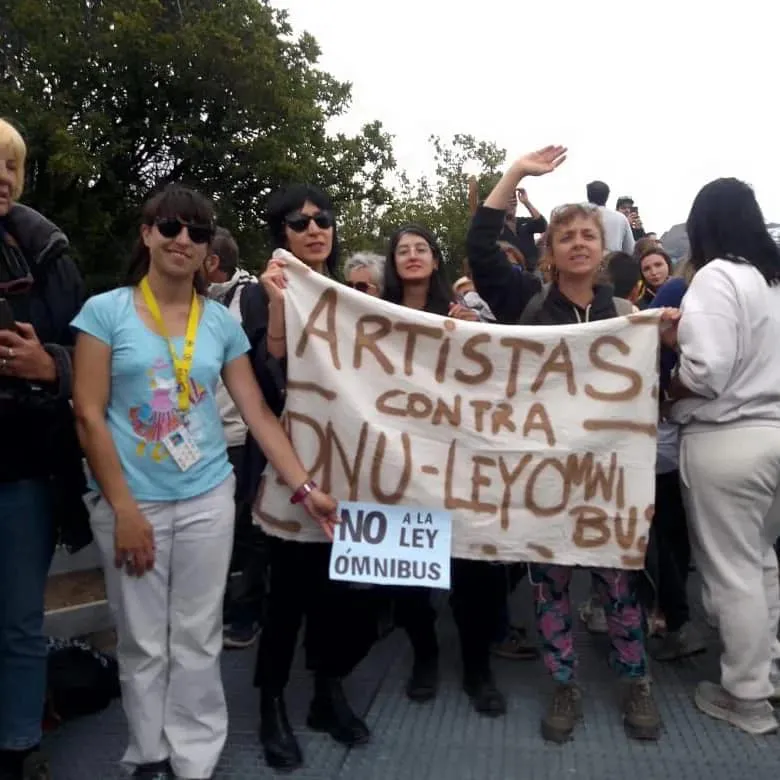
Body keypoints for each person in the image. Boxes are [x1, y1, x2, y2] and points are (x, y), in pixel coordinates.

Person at [72, 184, 338, 780]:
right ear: (147, 234)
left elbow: (258, 414)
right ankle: (148, 753)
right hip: (129, 501)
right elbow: (88, 414)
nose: (183, 240)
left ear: (206, 246)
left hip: (206, 498)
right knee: (142, 641)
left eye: (197, 232)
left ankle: (193, 757)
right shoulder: (104, 312)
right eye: (170, 227)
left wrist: (304, 489)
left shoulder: (218, 322)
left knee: (196, 634)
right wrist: (124, 510)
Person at [241, 184, 378, 771]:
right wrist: (276, 308)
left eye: (322, 220)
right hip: (291, 471)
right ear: (283, 235)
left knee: (338, 594)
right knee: (286, 597)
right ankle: (271, 703)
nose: (314, 229)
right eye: (299, 223)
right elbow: (268, 384)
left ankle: (327, 693)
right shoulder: (259, 293)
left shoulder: (348, 297)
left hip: (347, 473)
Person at [664, 178, 780, 736]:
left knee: (732, 572)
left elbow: (705, 372)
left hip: (728, 439)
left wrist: (668, 390)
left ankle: (747, 696)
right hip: (776, 435)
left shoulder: (715, 278)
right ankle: (767, 669)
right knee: (760, 560)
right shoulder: (773, 281)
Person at [382, 222, 509, 714]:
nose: (412, 256)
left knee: (472, 571)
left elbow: (496, 375)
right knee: (409, 573)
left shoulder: (462, 314)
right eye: (402, 250)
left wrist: (474, 334)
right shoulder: (374, 316)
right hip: (398, 461)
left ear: (436, 261)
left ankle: (478, 666)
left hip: (459, 462)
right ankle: (425, 657)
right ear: (393, 263)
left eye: (421, 249)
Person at [0, 117, 87, 780]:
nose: (4, 177)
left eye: (12, 166)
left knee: (20, 620)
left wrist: (49, 365)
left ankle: (21, 746)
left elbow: (91, 357)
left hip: (22, 467)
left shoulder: (46, 249)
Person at [204, 227, 265, 649]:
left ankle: (247, 614)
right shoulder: (186, 301)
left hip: (244, 433)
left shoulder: (253, 297)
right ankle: (214, 611)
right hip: (200, 438)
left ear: (212, 262)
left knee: (248, 528)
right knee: (212, 531)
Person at [499, 187, 548, 273]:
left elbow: (542, 225)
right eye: (508, 199)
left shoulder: (524, 222)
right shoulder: (499, 227)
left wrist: (526, 202)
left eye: (513, 199)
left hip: (533, 271)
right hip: (511, 272)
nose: (511, 202)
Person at [586, 181, 635, 254]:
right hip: (613, 262)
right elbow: (630, 250)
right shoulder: (621, 218)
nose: (627, 210)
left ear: (588, 195)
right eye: (624, 207)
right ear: (607, 196)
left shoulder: (579, 217)